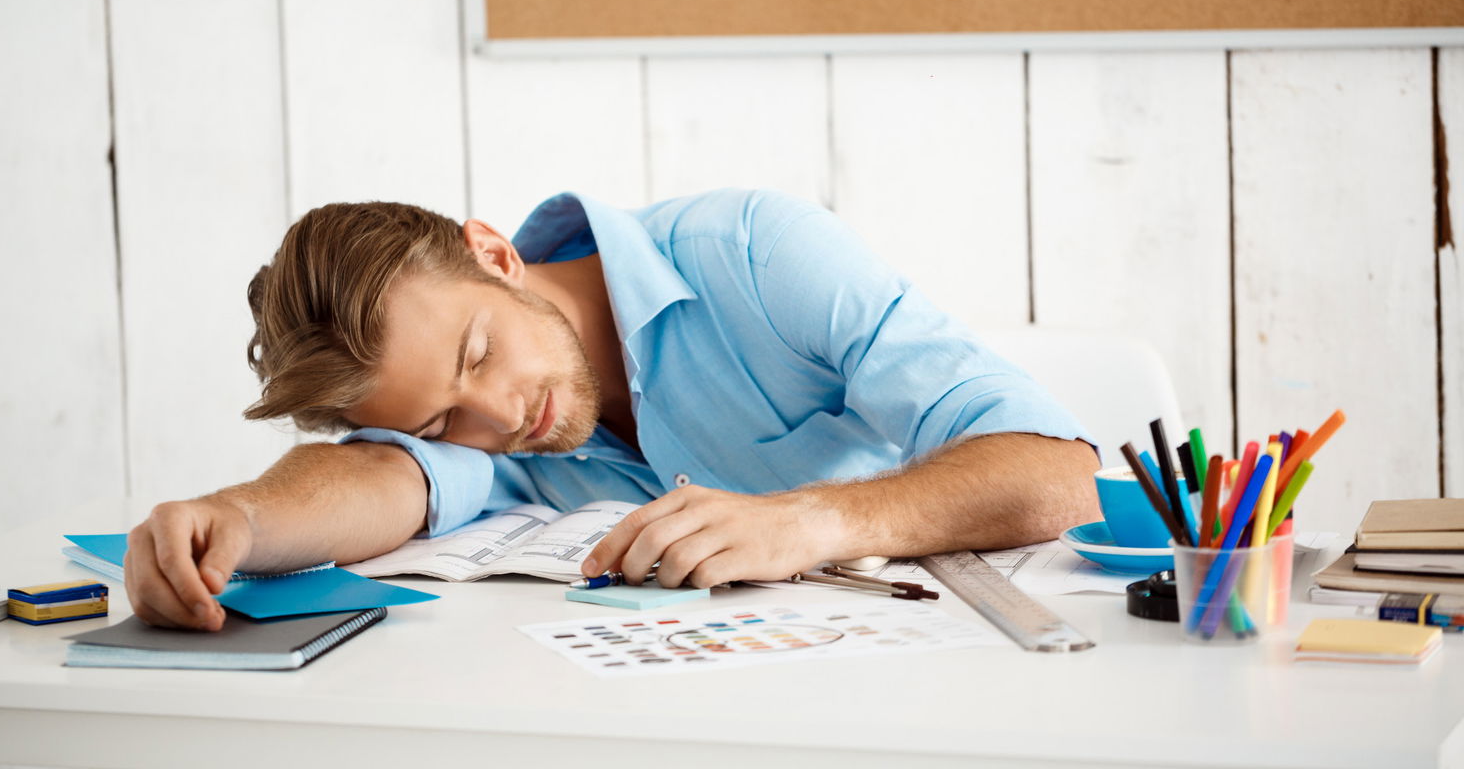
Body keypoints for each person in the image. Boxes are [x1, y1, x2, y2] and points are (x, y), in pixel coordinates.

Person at [124, 188, 1098, 631]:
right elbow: (383, 479)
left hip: (925, 684)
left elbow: (1057, 469)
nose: (498, 419)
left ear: (493, 253)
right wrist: (239, 521)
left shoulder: (757, 255)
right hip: (693, 715)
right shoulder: (478, 426)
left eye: (479, 352)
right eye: (441, 421)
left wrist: (808, 520)